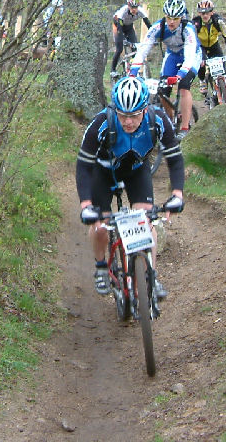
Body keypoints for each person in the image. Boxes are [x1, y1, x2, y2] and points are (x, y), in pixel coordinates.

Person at [76, 76, 184, 299]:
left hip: (136, 170)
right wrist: (86, 205)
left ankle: (150, 276)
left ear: (145, 109)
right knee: (100, 225)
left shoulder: (159, 119)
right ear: (115, 109)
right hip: (103, 173)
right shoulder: (101, 124)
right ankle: (101, 267)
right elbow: (84, 166)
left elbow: (175, 159)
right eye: (123, 115)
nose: (128, 122)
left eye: (134, 115)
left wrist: (177, 194)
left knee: (146, 220)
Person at [129, 0, 201, 140]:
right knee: (162, 90)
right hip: (172, 56)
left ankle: (185, 127)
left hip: (191, 56)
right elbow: (143, 50)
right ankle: (169, 122)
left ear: (181, 17)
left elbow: (189, 56)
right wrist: (133, 72)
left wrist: (180, 75)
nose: (171, 22)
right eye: (168, 17)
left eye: (175, 18)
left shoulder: (188, 29)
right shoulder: (158, 27)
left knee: (184, 86)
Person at [192, 0, 226, 94]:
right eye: (202, 13)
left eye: (207, 12)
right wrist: (199, 55)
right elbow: (193, 40)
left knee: (222, 67)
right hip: (201, 46)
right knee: (201, 63)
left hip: (214, 45)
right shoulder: (195, 24)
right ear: (199, 13)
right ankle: (202, 80)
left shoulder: (218, 21)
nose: (205, 15)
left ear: (212, 12)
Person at [110, 0, 152, 78]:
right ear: (128, 6)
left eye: (136, 7)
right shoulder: (123, 12)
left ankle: (134, 69)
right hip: (118, 25)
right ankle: (113, 70)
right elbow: (120, 27)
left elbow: (149, 25)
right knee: (119, 49)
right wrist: (123, 38)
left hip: (129, 27)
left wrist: (155, 36)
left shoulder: (141, 11)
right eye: (132, 7)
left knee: (135, 48)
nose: (134, 9)